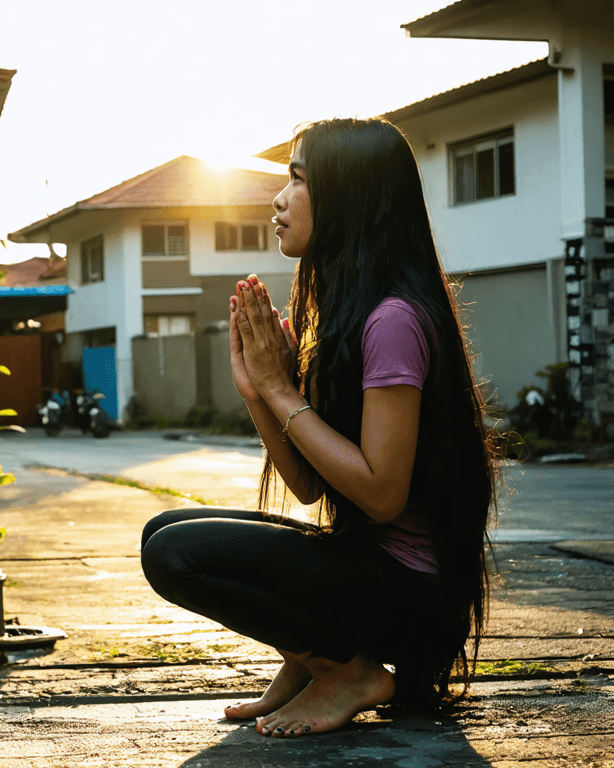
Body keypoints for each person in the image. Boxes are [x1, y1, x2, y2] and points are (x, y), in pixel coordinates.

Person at [139, 117, 499, 738]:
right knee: (163, 529)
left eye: (298, 180)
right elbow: (309, 486)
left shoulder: (393, 320)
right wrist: (259, 392)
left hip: (414, 599)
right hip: (373, 574)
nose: (279, 200)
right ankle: (313, 661)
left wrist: (282, 391)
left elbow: (380, 495)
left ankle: (346, 671)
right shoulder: (348, 313)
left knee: (175, 554)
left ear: (351, 198)